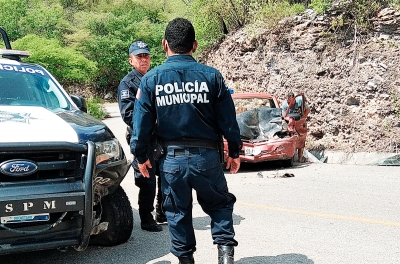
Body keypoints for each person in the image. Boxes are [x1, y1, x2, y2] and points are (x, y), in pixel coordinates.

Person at [131, 18, 242, 264]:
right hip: (207, 160)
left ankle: (185, 260)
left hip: (172, 162)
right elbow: (229, 121)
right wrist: (235, 151)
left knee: (178, 213)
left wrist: (140, 156)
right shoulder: (212, 77)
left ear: (164, 45)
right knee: (220, 205)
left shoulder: (151, 80)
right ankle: (225, 256)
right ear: (195, 45)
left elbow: (141, 126)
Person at [117, 40, 165, 232]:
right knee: (147, 180)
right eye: (139, 57)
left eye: (146, 56)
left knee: (166, 176)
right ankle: (146, 217)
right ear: (131, 60)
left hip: (160, 137)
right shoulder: (127, 83)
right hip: (142, 138)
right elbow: (128, 115)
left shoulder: (156, 78)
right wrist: (152, 122)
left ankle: (162, 212)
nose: (143, 60)